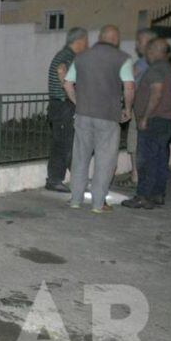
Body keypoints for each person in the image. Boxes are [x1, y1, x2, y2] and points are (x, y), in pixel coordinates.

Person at [62, 25, 135, 213]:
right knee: (105, 160)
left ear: (100, 37)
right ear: (116, 40)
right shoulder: (122, 59)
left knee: (80, 158)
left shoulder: (81, 57)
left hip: (83, 114)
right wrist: (127, 108)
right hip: (108, 116)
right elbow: (129, 87)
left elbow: (68, 83)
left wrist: (78, 102)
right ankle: (97, 204)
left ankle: (75, 200)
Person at [122, 38, 171, 210]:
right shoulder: (168, 69)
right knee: (160, 158)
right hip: (167, 119)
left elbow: (156, 93)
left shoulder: (155, 70)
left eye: (149, 50)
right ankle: (157, 194)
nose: (146, 53)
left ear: (154, 51)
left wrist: (145, 117)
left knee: (146, 160)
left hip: (154, 120)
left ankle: (143, 196)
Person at [45, 27, 88, 192]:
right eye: (85, 41)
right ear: (79, 41)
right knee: (66, 144)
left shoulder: (64, 54)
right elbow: (62, 72)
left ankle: (58, 179)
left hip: (59, 105)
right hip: (64, 105)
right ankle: (62, 180)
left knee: (61, 144)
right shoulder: (68, 56)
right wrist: (75, 99)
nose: (87, 45)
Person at [123, 29, 158, 188]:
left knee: (135, 142)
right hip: (154, 110)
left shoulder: (142, 63)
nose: (137, 44)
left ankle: (136, 177)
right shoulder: (160, 61)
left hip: (141, 108)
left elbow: (129, 83)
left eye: (140, 41)